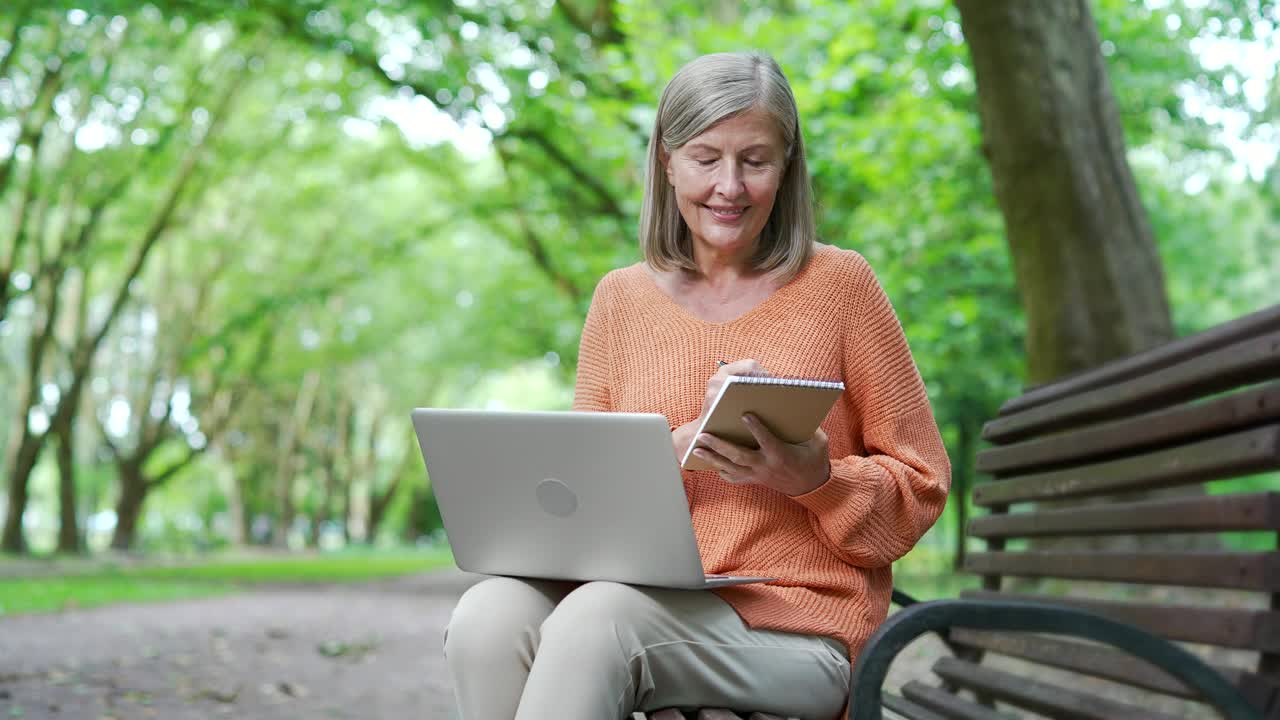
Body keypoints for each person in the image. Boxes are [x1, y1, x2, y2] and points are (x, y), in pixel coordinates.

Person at [443, 50, 951, 720]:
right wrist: (671, 448)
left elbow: (922, 485)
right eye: (706, 158)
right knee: (488, 615)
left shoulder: (841, 286)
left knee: (601, 620)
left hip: (799, 627)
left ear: (788, 167)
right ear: (667, 161)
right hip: (644, 599)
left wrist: (816, 480)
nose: (730, 186)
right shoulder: (620, 300)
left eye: (755, 160)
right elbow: (579, 509)